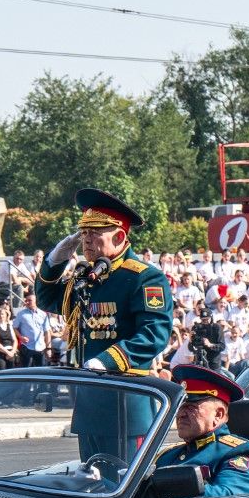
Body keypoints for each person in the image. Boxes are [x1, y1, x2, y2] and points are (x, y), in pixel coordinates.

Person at [36, 188, 173, 460]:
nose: (86, 239)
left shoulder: (144, 278)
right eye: (84, 232)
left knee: (125, 479)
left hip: (126, 401)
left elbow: (154, 334)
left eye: (95, 232)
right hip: (90, 402)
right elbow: (47, 299)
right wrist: (54, 261)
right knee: (90, 478)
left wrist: (106, 361)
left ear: (119, 237)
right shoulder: (88, 277)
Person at [155, 364, 249, 497]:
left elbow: (230, 497)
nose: (181, 415)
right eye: (180, 407)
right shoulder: (168, 455)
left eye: (191, 408)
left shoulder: (238, 452)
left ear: (218, 415)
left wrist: (165, 491)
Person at [12, 293, 51, 367]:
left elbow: (47, 332)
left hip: (40, 347)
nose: (27, 302)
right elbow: (14, 327)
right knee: (26, 370)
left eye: (29, 300)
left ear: (36, 301)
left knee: (41, 370)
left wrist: (49, 348)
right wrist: (21, 337)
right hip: (27, 347)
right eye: (26, 300)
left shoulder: (43, 314)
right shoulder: (21, 314)